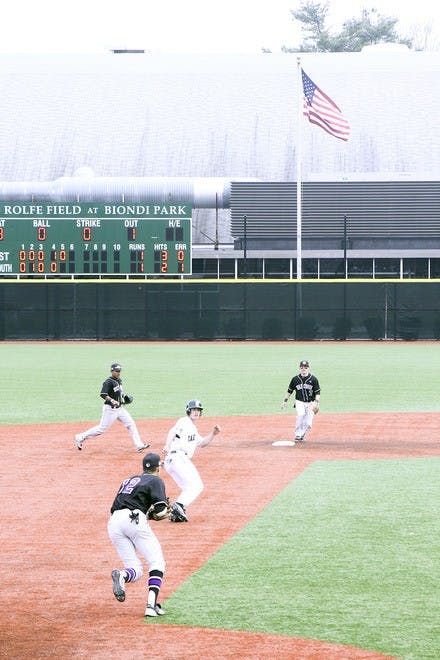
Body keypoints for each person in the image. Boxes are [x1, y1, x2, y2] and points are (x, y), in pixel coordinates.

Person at [108, 452, 169, 617]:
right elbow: (161, 510)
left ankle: (121, 575)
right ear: (158, 467)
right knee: (157, 562)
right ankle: (151, 605)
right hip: (133, 518)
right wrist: (169, 512)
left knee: (135, 569)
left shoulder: (129, 480)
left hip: (114, 522)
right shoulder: (155, 480)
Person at [162, 399, 221, 523]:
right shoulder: (184, 421)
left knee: (190, 488)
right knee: (197, 486)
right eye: (194, 410)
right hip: (178, 458)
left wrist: (213, 434)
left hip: (174, 461)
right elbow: (172, 431)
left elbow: (202, 443)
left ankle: (178, 510)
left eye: (198, 410)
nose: (196, 412)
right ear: (189, 411)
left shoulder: (192, 428)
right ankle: (178, 505)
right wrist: (167, 445)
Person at [75, 362, 150, 452]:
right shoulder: (108, 382)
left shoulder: (119, 380)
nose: (118, 372)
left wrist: (125, 395)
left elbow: (119, 392)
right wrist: (112, 400)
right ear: (112, 371)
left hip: (120, 409)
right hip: (110, 409)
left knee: (131, 424)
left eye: (119, 371)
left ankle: (139, 445)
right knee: (101, 429)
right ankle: (80, 437)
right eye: (116, 371)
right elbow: (103, 394)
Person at [281, 359, 321, 443]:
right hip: (299, 402)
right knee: (301, 415)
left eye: (305, 367)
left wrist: (316, 402)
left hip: (311, 403)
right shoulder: (295, 379)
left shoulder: (313, 379)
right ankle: (297, 434)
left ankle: (302, 434)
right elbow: (289, 391)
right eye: (302, 367)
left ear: (308, 368)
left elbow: (317, 392)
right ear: (299, 368)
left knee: (308, 423)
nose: (303, 369)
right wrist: (285, 401)